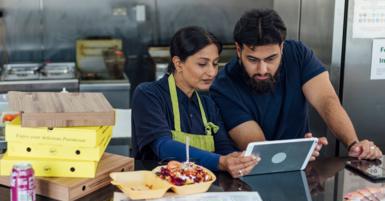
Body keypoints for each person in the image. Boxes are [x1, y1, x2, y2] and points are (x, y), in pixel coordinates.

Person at [210, 9, 382, 161]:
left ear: (282, 48)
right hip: (252, 174)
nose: (262, 69)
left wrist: (354, 144)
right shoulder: (224, 86)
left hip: (300, 167)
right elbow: (257, 148)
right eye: (253, 60)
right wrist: (297, 153)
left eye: (271, 59)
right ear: (238, 50)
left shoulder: (298, 55)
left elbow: (326, 100)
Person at [132, 26, 259, 178]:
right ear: (178, 63)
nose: (212, 72)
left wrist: (238, 160)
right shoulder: (148, 95)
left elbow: (223, 148)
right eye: (202, 64)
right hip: (158, 190)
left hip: (200, 190)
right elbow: (163, 146)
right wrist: (221, 162)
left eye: (215, 63)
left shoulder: (208, 104)